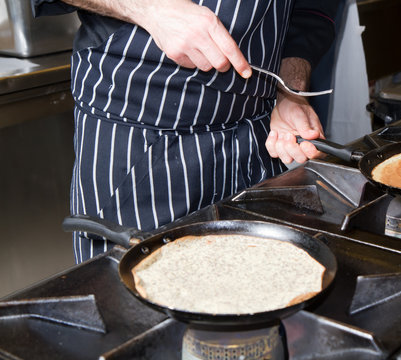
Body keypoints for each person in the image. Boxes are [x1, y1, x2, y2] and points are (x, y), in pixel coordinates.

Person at [32, 0, 339, 263]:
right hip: (140, 144)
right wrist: (151, 8)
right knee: (133, 313)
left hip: (258, 139)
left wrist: (289, 90)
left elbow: (310, 7)